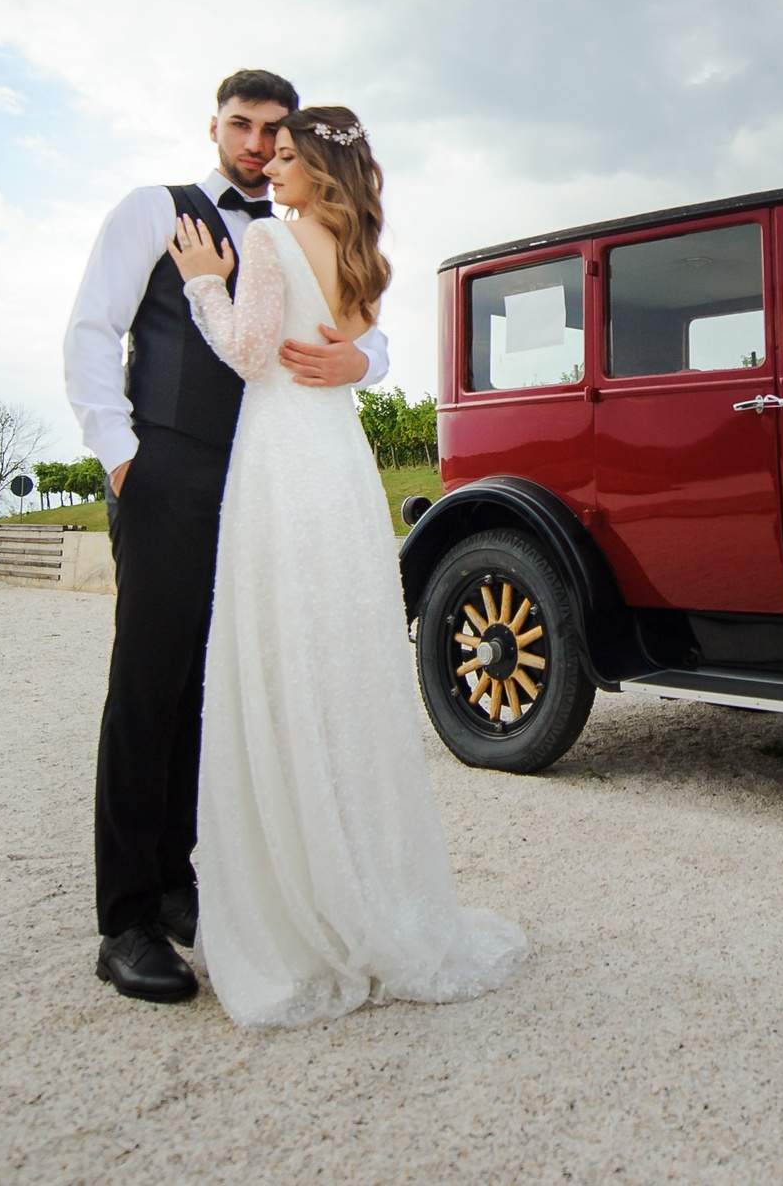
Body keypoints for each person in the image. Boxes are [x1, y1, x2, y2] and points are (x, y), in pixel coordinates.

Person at [167, 105, 525, 1026]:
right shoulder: (364, 256)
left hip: (282, 462)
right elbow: (356, 348)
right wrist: (357, 362)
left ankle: (304, 903)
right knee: (340, 661)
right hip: (338, 462)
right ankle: (363, 883)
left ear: (320, 170)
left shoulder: (265, 238)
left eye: (287, 156)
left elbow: (250, 354)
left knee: (282, 652)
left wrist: (205, 285)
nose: (271, 168)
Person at [63, 70, 392, 1002]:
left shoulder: (303, 230)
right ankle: (126, 918)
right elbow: (91, 330)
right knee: (148, 684)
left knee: (219, 687)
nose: (256, 145)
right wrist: (121, 456)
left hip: (265, 482)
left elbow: (368, 334)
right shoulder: (151, 209)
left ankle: (178, 883)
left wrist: (362, 361)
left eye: (273, 132)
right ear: (215, 125)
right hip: (169, 469)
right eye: (242, 126)